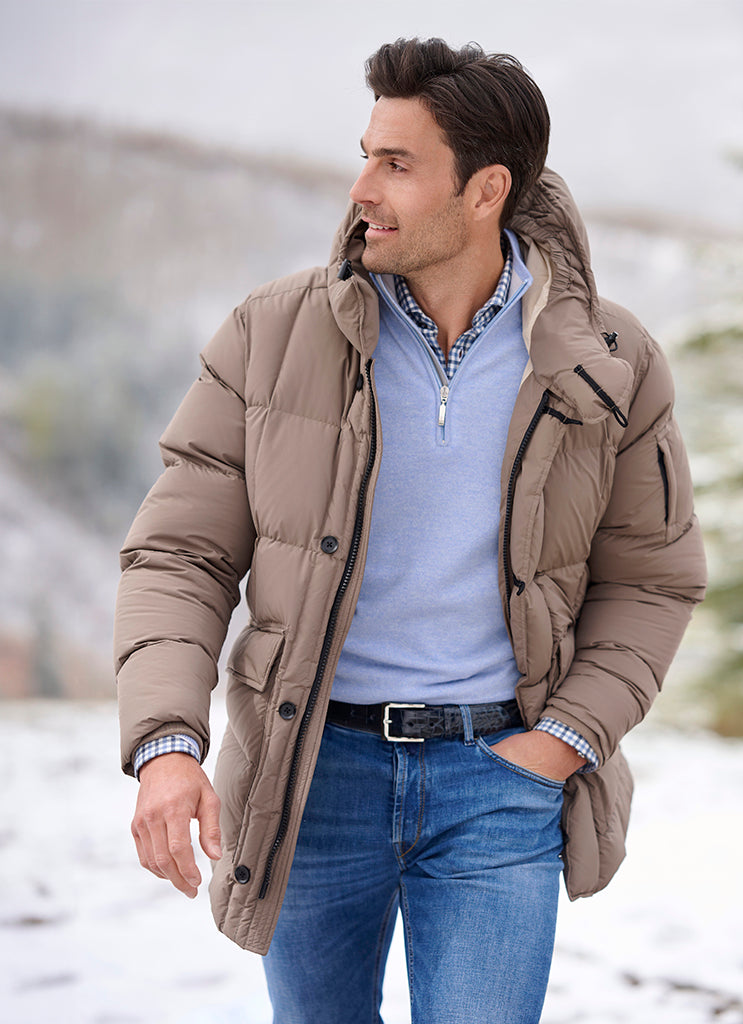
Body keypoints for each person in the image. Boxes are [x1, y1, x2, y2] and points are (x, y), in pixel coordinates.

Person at [116, 37, 707, 1023]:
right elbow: (182, 552)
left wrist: (564, 738)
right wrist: (167, 740)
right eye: (365, 153)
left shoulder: (610, 359)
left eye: (397, 163)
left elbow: (654, 576)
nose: (361, 188)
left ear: (486, 191)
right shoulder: (271, 333)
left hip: (501, 783)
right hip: (312, 779)